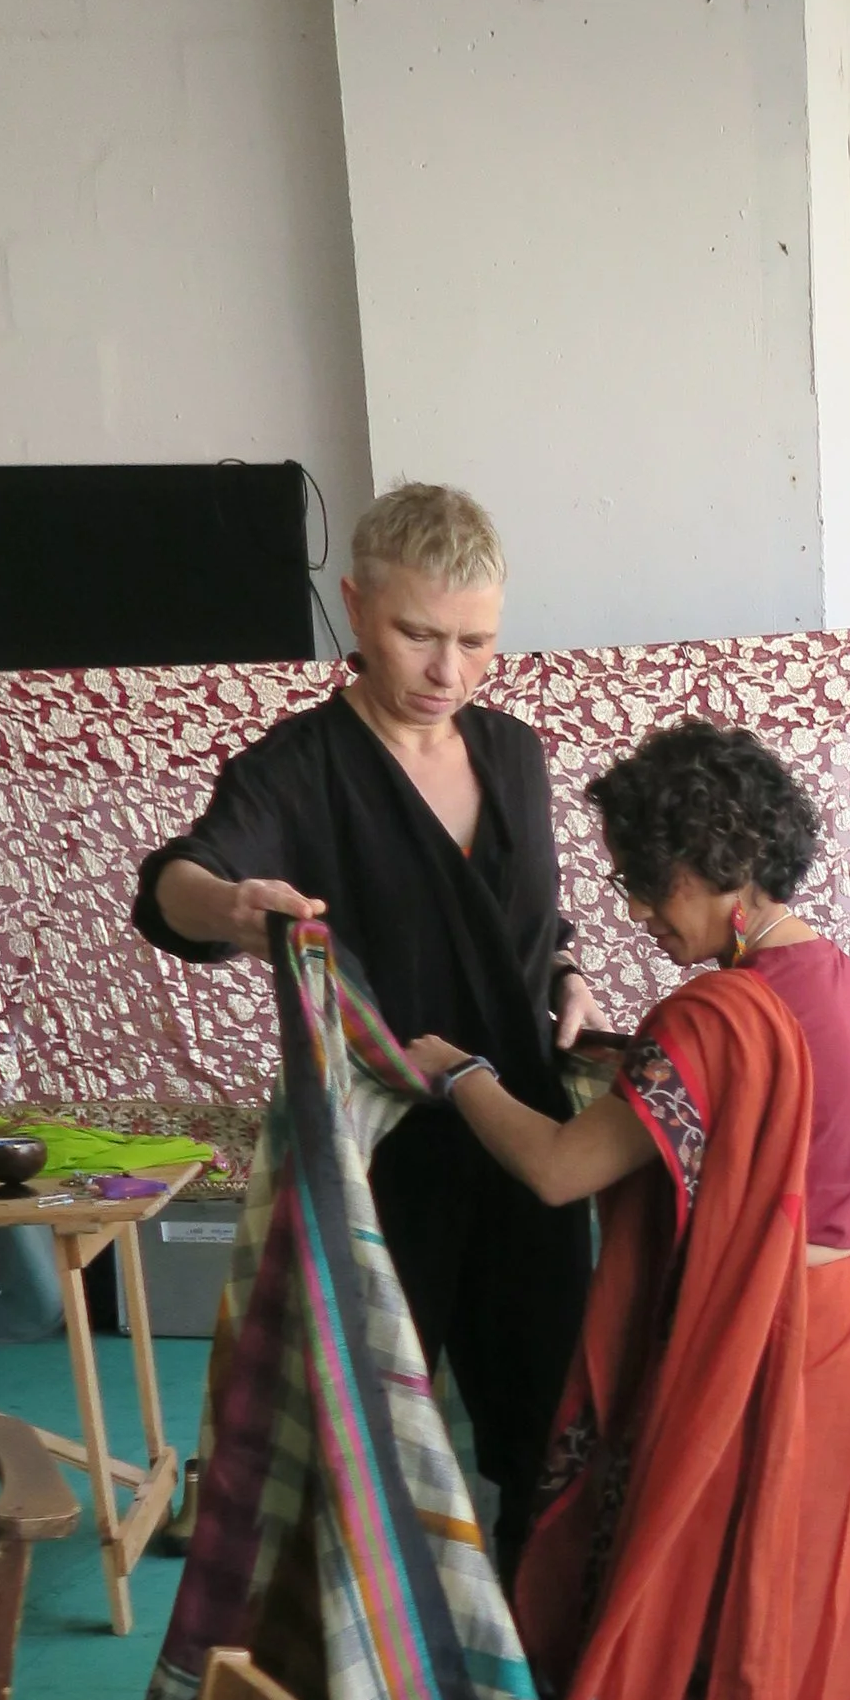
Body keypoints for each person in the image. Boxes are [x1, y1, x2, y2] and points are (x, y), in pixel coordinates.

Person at [405, 720, 850, 1700]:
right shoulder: (848, 985)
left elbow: (552, 1171)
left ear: (719, 870)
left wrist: (460, 1076)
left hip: (772, 1344)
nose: (646, 912)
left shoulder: (714, 1015)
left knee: (718, 1600)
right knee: (846, 1602)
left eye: (655, 885)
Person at [133, 479, 598, 1566]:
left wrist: (566, 971)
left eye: (477, 641)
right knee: (363, 1450)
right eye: (417, 635)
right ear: (353, 606)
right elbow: (174, 885)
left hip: (526, 1141)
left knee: (546, 1437)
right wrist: (236, 907)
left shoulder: (515, 754)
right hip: (383, 1165)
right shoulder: (298, 769)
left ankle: (540, 1693)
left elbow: (531, 917)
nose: (448, 672)